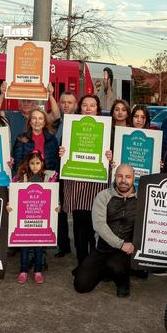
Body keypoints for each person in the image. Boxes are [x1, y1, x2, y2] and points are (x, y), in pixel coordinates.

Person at [60, 94, 113, 266]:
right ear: (79, 107)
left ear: (98, 109)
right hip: (76, 181)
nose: (88, 108)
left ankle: (93, 264)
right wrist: (61, 152)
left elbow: (113, 160)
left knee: (94, 226)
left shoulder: (106, 130)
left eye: (92, 105)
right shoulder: (71, 126)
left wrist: (110, 156)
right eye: (85, 105)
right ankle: (81, 262)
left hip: (96, 183)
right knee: (78, 226)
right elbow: (63, 153)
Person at [73, 164, 137, 298]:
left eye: (128, 177)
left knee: (115, 266)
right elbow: (99, 225)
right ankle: (103, 271)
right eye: (120, 176)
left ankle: (123, 281)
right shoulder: (103, 196)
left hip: (125, 251)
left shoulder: (140, 199)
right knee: (81, 285)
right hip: (103, 248)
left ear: (133, 178)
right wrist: (119, 243)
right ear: (115, 177)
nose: (123, 180)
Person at [11, 150, 59, 284]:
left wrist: (57, 206)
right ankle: (23, 271)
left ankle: (38, 271)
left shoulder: (49, 178)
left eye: (38, 163)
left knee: (39, 247)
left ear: (42, 163)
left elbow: (54, 196)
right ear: (28, 163)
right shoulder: (21, 178)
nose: (35, 166)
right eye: (32, 163)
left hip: (41, 220)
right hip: (25, 220)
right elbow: (14, 195)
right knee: (24, 247)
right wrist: (11, 207)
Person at [54, 90, 78, 258]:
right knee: (60, 209)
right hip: (58, 171)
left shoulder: (80, 123)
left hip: (76, 172)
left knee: (76, 210)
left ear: (75, 105)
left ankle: (81, 246)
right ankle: (64, 245)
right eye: (63, 102)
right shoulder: (55, 123)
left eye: (70, 102)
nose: (66, 105)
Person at [12, 108, 59, 173]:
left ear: (44, 122)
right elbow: (16, 163)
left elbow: (56, 163)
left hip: (47, 179)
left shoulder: (52, 140)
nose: (37, 121)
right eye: (34, 118)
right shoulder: (21, 138)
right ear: (30, 122)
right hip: (26, 179)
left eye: (40, 118)